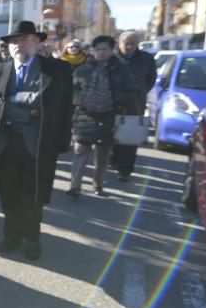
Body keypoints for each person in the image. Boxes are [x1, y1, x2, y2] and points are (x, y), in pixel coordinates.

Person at [0, 21, 73, 261]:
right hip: (4, 145)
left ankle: (31, 239)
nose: (19, 45)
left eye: (25, 39)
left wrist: (62, 140)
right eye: (14, 41)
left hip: (37, 145)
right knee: (8, 195)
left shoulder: (57, 71)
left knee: (33, 196)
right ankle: (11, 236)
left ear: (37, 42)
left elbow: (64, 109)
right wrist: (27, 112)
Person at [66, 36, 138, 199]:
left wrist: (117, 99)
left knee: (103, 155)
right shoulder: (82, 70)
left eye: (105, 49)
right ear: (92, 51)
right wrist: (82, 100)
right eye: (97, 49)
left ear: (112, 50)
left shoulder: (121, 69)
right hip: (84, 116)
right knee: (80, 153)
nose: (101, 52)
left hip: (109, 117)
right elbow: (72, 91)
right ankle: (75, 186)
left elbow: (131, 91)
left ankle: (98, 184)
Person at [112, 31, 156, 182]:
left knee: (129, 137)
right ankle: (114, 160)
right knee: (113, 135)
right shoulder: (112, 58)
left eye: (133, 43)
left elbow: (150, 79)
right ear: (120, 43)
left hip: (135, 104)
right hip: (113, 103)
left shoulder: (146, 59)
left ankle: (125, 170)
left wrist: (139, 92)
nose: (130, 46)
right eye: (127, 43)